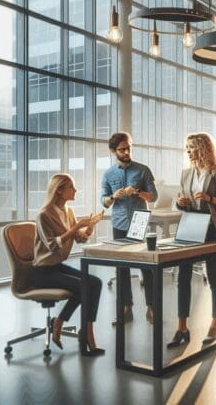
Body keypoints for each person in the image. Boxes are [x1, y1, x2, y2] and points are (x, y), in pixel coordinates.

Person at [167, 133, 216, 347]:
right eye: (186, 147)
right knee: (182, 277)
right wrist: (181, 202)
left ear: (203, 148)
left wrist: (209, 198)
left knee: (214, 276)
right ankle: (182, 328)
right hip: (190, 227)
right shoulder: (186, 174)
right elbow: (181, 203)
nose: (188, 151)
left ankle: (214, 325)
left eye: (192, 147)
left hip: (211, 229)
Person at [32, 174, 104, 356]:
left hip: (56, 267)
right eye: (71, 187)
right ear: (59, 190)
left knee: (96, 283)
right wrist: (76, 227)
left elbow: (79, 239)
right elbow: (52, 244)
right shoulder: (43, 214)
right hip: (42, 272)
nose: (75, 190)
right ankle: (61, 322)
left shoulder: (68, 212)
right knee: (84, 286)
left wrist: (89, 227)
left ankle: (87, 331)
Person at [100, 132, 158, 323]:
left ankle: (151, 308)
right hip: (118, 222)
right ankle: (127, 308)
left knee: (146, 266)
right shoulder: (108, 174)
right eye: (122, 149)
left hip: (139, 221)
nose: (126, 152)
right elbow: (104, 201)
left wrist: (138, 192)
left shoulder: (143, 170)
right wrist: (113, 197)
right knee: (122, 267)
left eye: (128, 148)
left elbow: (153, 197)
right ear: (113, 151)